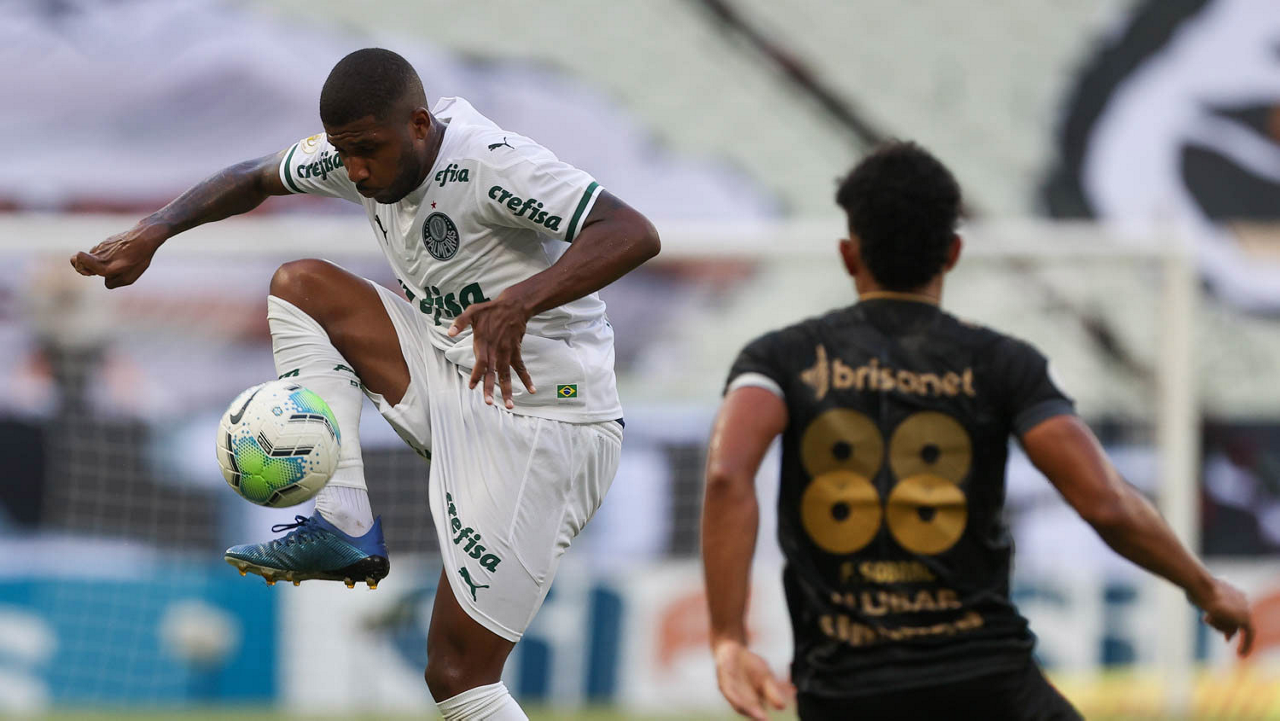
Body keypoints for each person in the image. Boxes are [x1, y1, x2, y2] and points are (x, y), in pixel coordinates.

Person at [71, 48, 659, 720]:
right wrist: (154, 230)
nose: (354, 170)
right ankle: (345, 524)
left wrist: (521, 301)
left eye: (367, 151)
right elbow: (252, 176)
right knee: (301, 286)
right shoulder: (361, 153)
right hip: (452, 375)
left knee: (458, 675)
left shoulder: (492, 162)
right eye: (344, 152)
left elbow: (632, 231)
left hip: (546, 421)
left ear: (418, 125)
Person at [700, 141, 1253, 720]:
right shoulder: (1003, 363)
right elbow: (1106, 503)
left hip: (845, 690)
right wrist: (1205, 587)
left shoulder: (780, 358)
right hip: (985, 680)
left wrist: (728, 638)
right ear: (954, 253)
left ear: (848, 254)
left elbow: (725, 475)